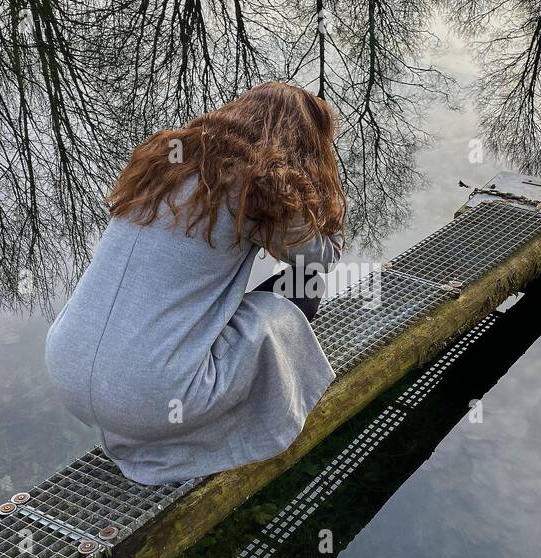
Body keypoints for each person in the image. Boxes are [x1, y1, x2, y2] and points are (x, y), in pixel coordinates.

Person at [45, 82, 346, 485]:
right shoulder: (261, 185)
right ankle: (229, 420)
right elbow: (321, 259)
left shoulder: (161, 162)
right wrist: (326, 197)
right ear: (304, 143)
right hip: (150, 394)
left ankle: (146, 414)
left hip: (67, 367)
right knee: (304, 283)